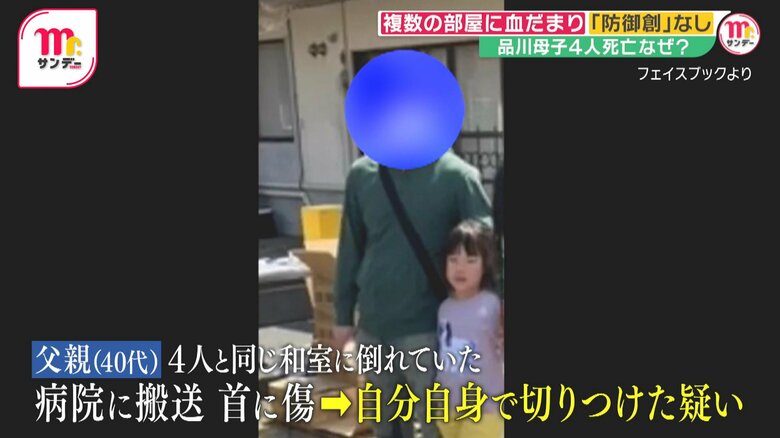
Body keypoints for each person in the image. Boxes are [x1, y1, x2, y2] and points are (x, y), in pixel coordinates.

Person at [332, 150, 492, 438]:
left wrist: (495, 311)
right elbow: (350, 246)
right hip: (373, 325)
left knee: (436, 425)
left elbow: (488, 249)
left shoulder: (457, 177)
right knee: (385, 424)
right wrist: (343, 316)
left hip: (429, 326)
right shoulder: (362, 175)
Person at [435, 220, 504, 438]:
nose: (460, 268)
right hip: (447, 407)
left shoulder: (493, 306)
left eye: (471, 260)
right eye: (453, 260)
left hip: (485, 408)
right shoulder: (444, 308)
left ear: (486, 265)